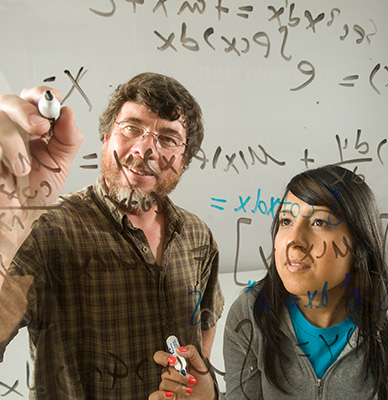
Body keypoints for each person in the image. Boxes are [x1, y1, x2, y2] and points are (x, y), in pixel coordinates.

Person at [0, 72, 224, 399]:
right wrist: (7, 232)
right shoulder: (43, 231)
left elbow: (205, 321)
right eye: (132, 128)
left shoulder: (197, 235)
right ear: (106, 137)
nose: (146, 148)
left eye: (168, 138)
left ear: (183, 161)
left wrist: (195, 380)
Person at [150, 165, 388, 400]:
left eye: (319, 222)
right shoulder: (250, 315)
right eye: (286, 221)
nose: (294, 240)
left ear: (359, 246)